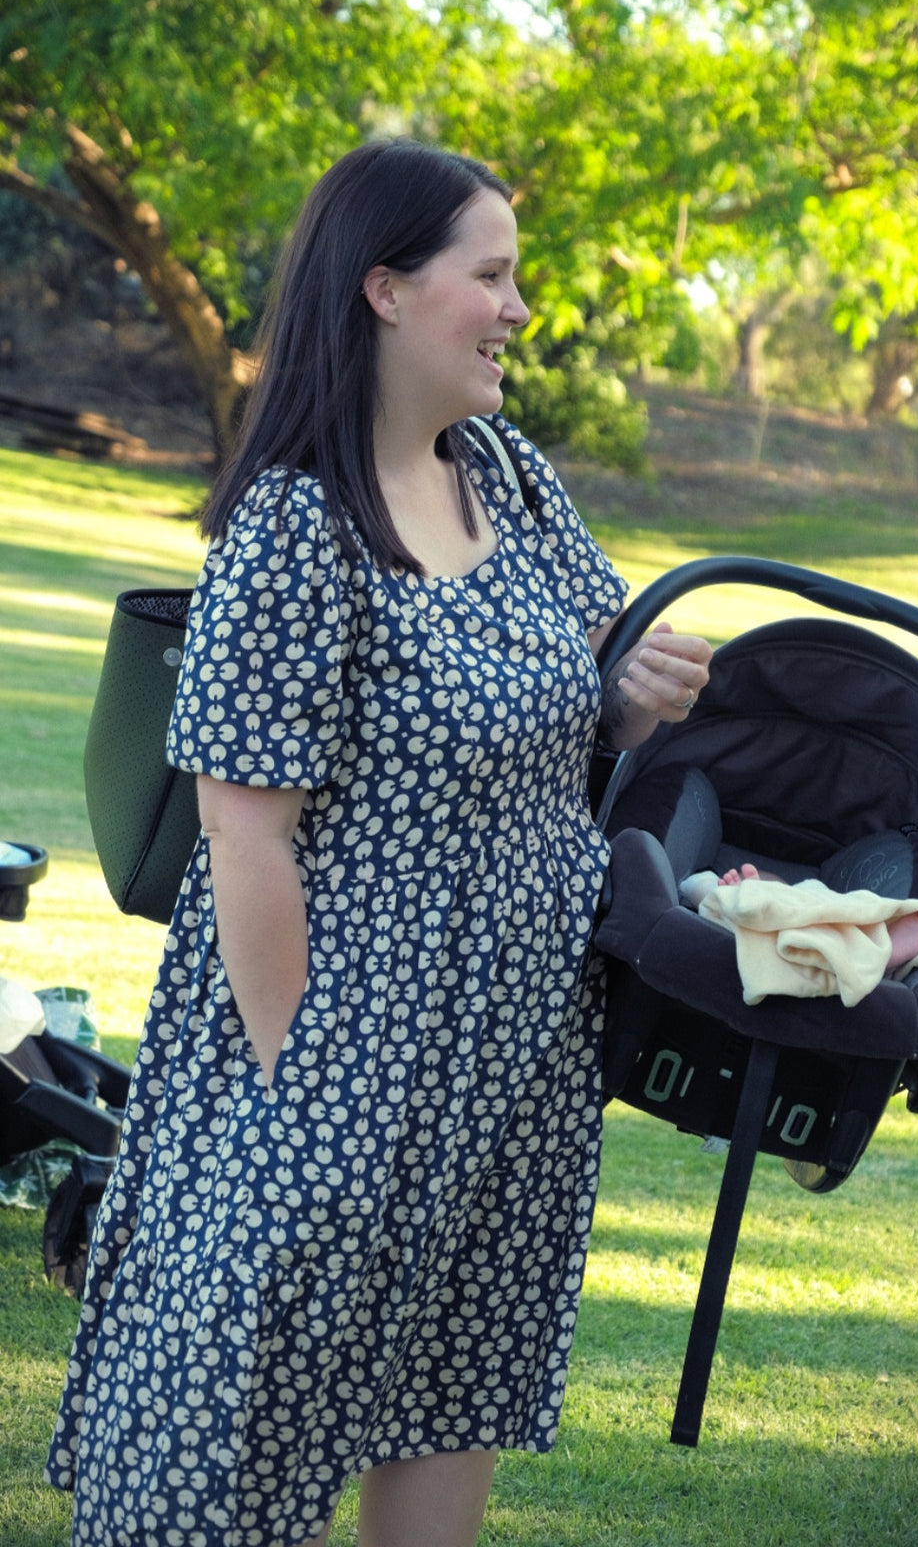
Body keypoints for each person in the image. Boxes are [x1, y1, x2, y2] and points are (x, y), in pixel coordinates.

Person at [47, 139, 712, 1547]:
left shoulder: (509, 477)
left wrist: (633, 690)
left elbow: (588, 691)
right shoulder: (298, 527)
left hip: (518, 1060)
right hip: (335, 1057)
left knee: (448, 1399)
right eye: (494, 275)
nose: (520, 307)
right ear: (387, 291)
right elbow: (245, 839)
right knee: (217, 1461)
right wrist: (306, 1094)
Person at [682, 863, 918, 973]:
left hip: (802, 903)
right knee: (720, 899)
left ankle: (874, 947)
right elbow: (693, 883)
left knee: (815, 907)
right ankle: (879, 950)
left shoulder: (804, 892)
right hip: (775, 912)